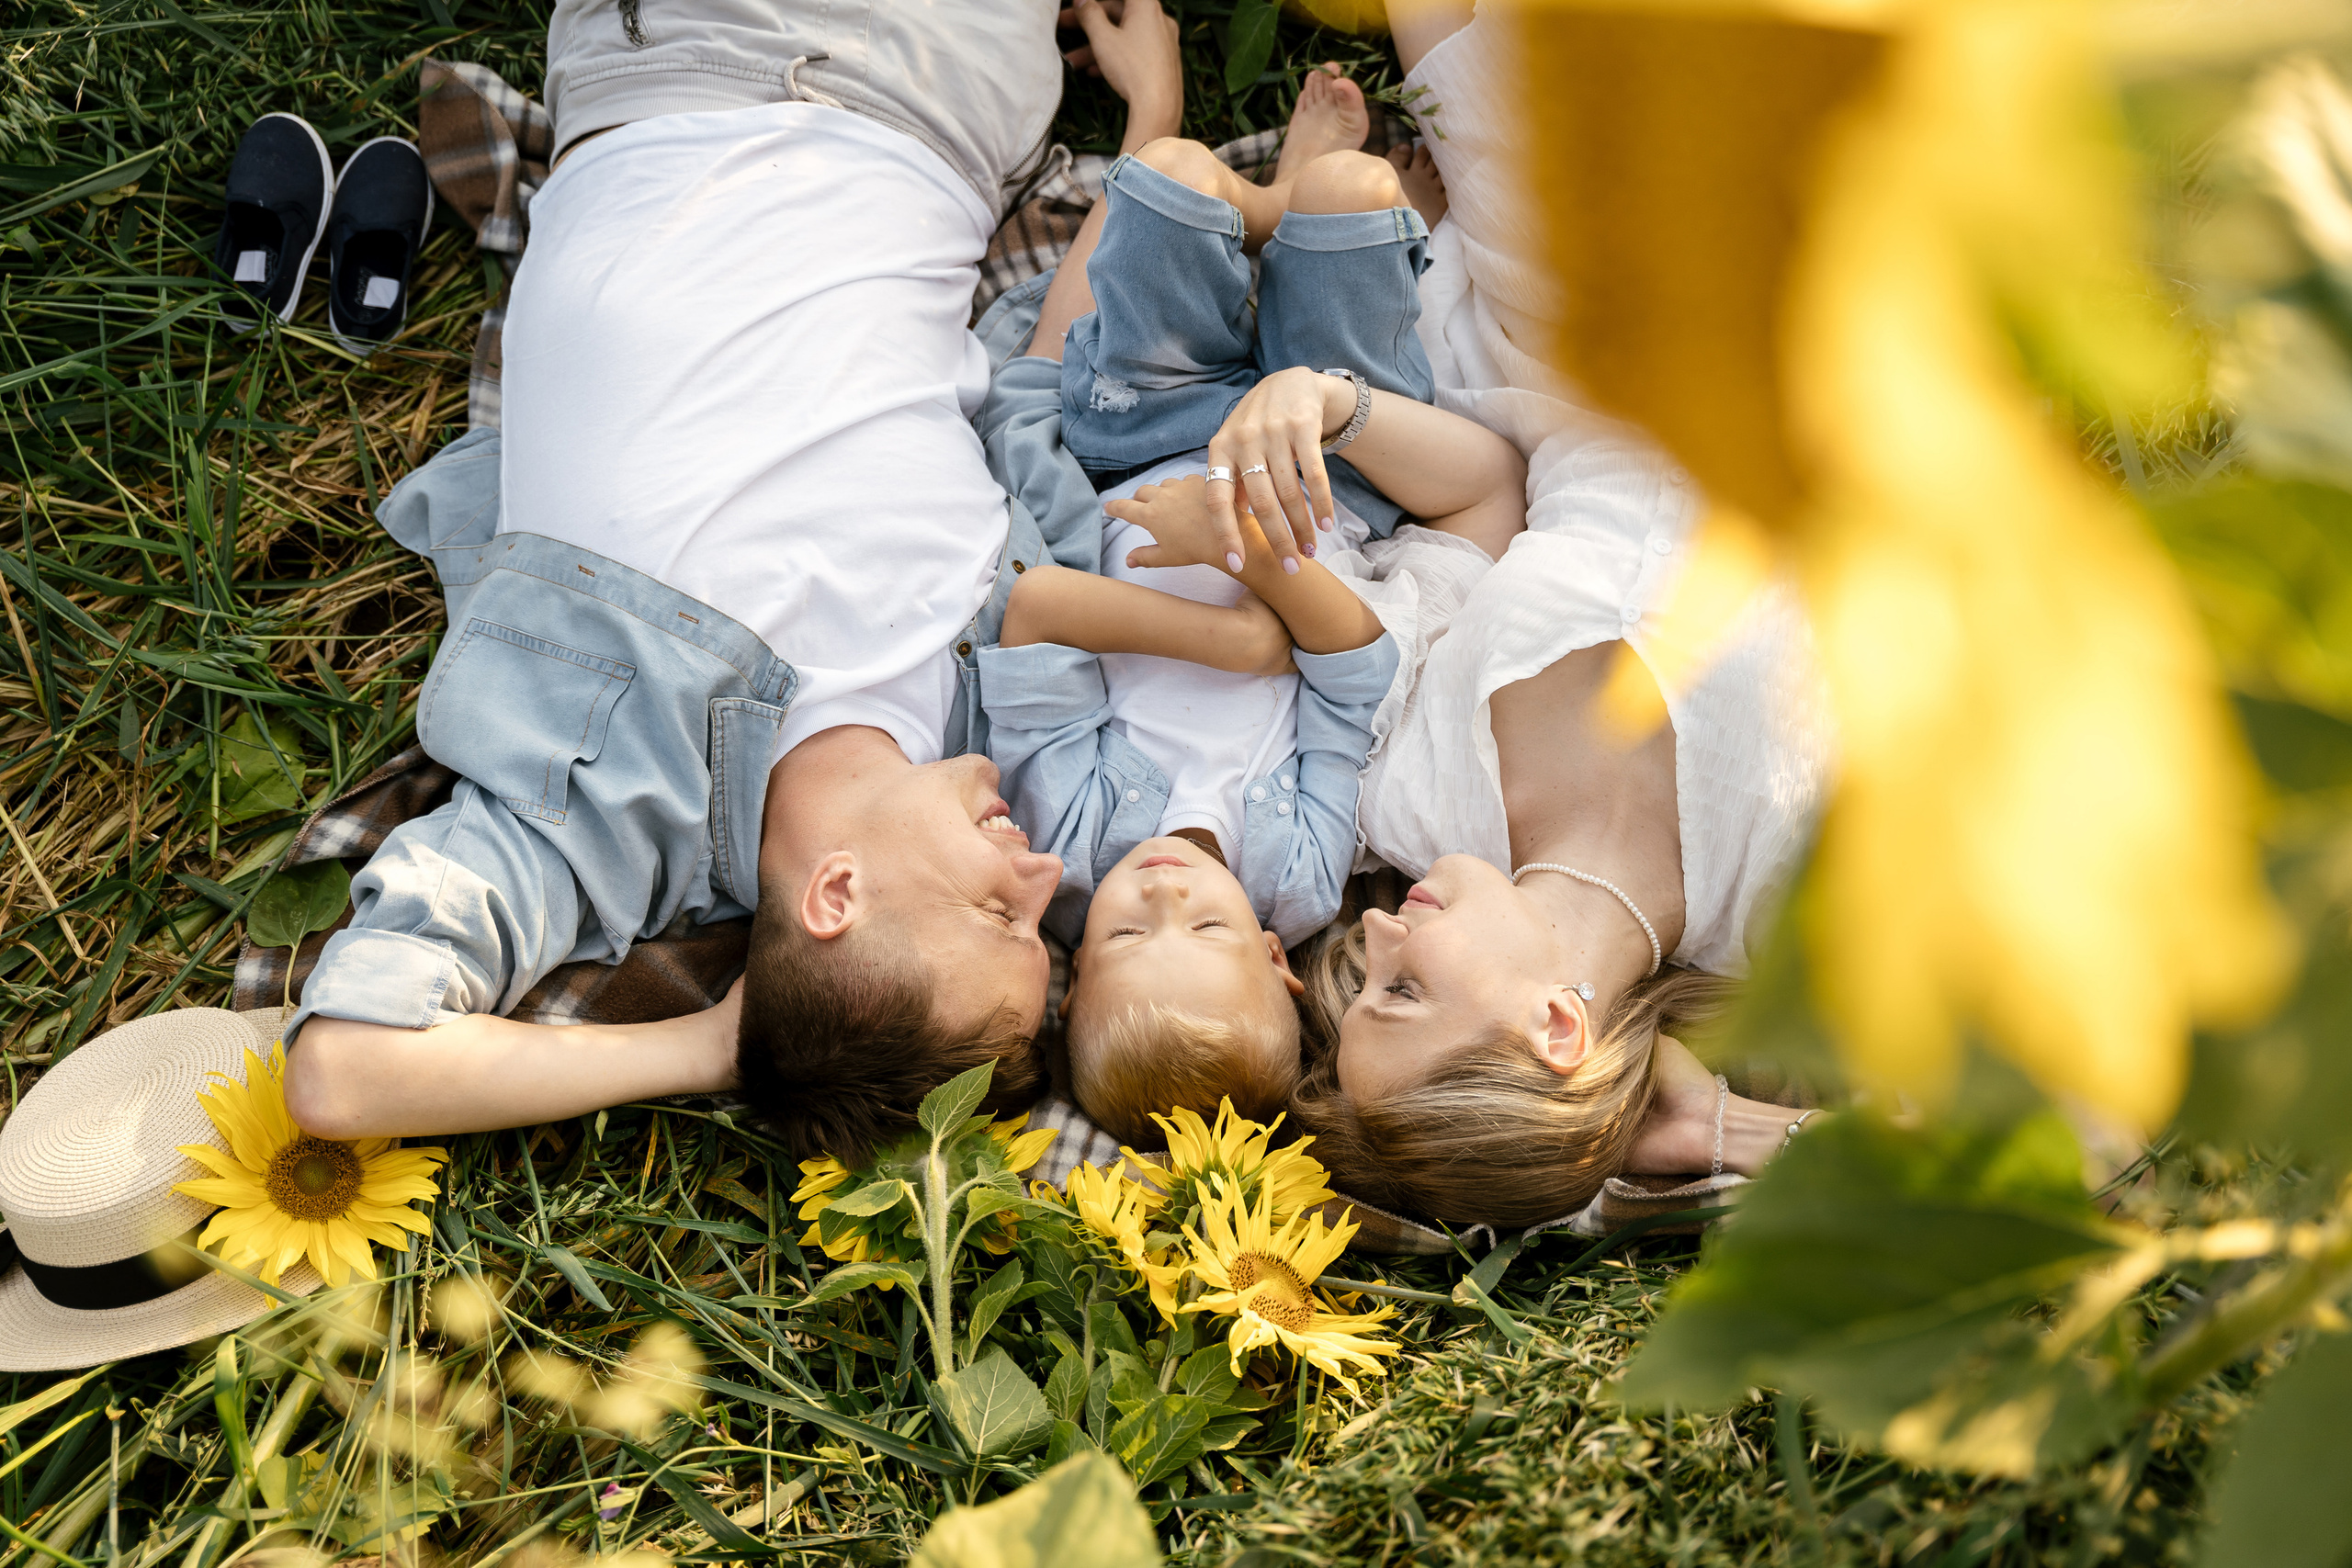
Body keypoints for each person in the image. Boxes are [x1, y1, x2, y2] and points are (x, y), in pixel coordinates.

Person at [278, 0, 1193, 1163]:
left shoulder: (605, 818)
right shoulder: (1013, 698)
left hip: (676, 62)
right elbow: (1041, 386)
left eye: (995, 909)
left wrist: (716, 1049)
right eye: (1041, 923)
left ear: (834, 898)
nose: (1045, 872)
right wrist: (1152, 120)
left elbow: (345, 1072)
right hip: (934, 96)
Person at [1271, 17, 1840, 1228]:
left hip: (1549, 366)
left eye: (1366, 978)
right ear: (1557, 1025)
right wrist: (1711, 1126)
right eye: (1406, 992)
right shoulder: (1782, 907)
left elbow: (1458, 516)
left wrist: (1324, 403)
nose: (1376, 931)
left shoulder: (1412, 804)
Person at [972, 129, 1525, 1145]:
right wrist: (1243, 561)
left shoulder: (1070, 840)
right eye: (1207, 927)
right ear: (1274, 954)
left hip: (1145, 428)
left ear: (1075, 968)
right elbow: (1356, 674)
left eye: (1131, 932)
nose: (1164, 895)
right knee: (1351, 189)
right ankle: (1286, 215)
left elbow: (1037, 611)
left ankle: (1251, 211)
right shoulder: (1301, 874)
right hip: (1323, 485)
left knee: (1173, 173)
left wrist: (1228, 641)